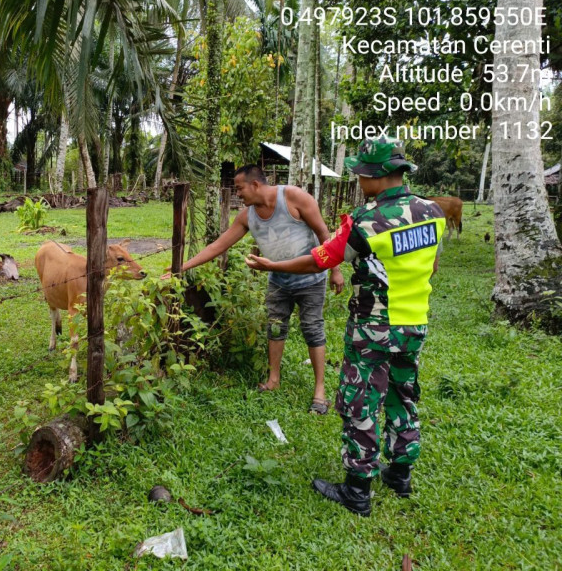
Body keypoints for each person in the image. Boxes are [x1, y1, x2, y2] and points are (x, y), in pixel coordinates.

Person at [246, 138, 445, 516]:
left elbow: (320, 259)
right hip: (415, 324)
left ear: (377, 175)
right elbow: (432, 266)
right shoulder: (432, 211)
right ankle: (400, 474)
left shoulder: (365, 220)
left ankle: (357, 489)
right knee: (403, 395)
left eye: (361, 174)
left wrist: (273, 266)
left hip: (373, 327)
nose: (359, 180)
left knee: (361, 402)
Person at [164, 164, 344, 414]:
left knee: (312, 328)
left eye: (240, 188)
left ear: (256, 184)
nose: (238, 194)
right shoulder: (247, 216)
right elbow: (218, 246)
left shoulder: (293, 197)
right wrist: (181, 267)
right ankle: (273, 379)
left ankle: (320, 391)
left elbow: (324, 233)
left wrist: (335, 270)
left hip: (311, 279)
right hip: (278, 281)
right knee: (275, 327)